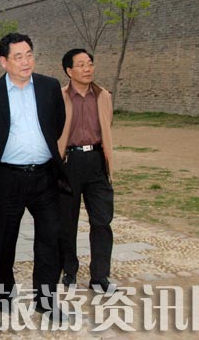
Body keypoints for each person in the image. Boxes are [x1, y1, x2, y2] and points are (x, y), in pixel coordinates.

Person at [0, 33, 66, 315]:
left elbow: (57, 124)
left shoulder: (49, 87)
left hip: (45, 176)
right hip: (6, 178)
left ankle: (46, 300)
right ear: (4, 61)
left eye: (29, 55)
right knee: (3, 240)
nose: (26, 62)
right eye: (18, 57)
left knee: (51, 237)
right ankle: (3, 293)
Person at [57, 48, 115, 293]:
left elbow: (107, 124)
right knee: (66, 222)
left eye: (89, 63)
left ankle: (100, 276)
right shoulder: (59, 97)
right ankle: (69, 270)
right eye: (81, 65)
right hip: (69, 162)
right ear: (69, 71)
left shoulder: (103, 96)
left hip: (97, 161)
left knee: (102, 221)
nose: (87, 68)